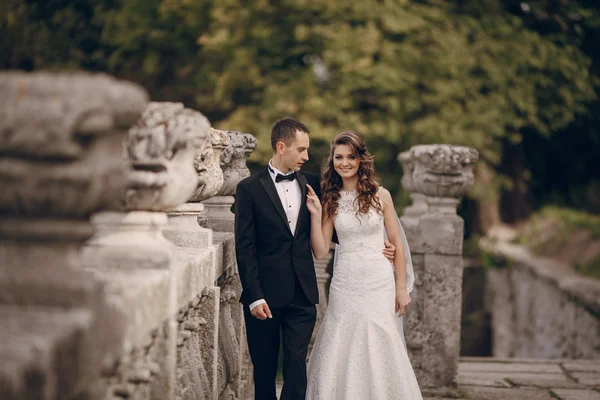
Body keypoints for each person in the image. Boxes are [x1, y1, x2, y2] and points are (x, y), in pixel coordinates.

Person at [234, 119, 395, 400]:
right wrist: (254, 296)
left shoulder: (310, 183)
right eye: (302, 149)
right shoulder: (249, 188)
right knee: (264, 367)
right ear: (282, 147)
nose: (307, 156)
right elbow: (244, 247)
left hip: (302, 292)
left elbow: (336, 223)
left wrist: (373, 243)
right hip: (265, 295)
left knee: (297, 364)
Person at [305, 131, 423, 399]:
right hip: (345, 281)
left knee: (380, 335)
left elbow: (397, 244)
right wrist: (315, 215)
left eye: (350, 157)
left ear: (361, 160)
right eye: (338, 157)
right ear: (332, 160)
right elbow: (321, 251)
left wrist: (401, 288)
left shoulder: (382, 196)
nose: (344, 162)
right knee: (341, 336)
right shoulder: (330, 199)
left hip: (379, 280)